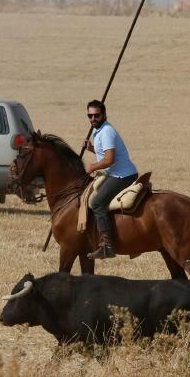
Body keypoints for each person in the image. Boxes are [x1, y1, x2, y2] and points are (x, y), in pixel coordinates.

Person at [83, 100, 138, 259]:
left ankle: (107, 245)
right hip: (114, 172)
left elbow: (109, 160)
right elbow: (104, 153)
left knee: (97, 202)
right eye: (90, 116)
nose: (93, 119)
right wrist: (91, 149)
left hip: (122, 175)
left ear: (104, 115)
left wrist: (93, 167)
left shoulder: (106, 131)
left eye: (96, 115)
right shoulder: (98, 130)